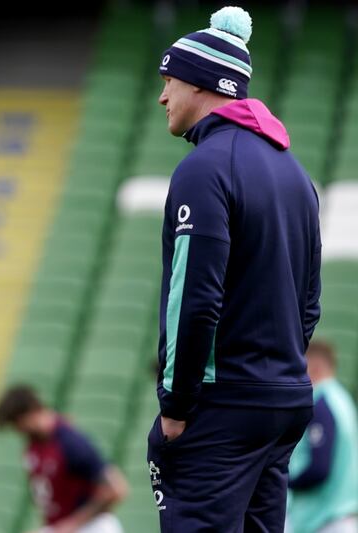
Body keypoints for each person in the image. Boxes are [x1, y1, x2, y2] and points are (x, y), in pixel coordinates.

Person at [148, 6, 321, 532]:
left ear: (200, 83)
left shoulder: (203, 169)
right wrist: (278, 376)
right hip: (284, 400)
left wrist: (175, 407)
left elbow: (194, 299)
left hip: (223, 409)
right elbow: (308, 305)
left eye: (169, 81)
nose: (162, 97)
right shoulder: (295, 174)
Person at [0, 385, 129, 533]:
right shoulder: (35, 447)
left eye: (17, 423)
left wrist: (73, 523)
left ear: (30, 413)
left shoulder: (70, 443)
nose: (18, 431)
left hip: (92, 527)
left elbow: (115, 490)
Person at [287, 340, 358, 533]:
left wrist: (284, 481)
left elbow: (319, 469)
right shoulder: (341, 398)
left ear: (314, 367)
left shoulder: (322, 402)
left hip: (324, 519)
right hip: (340, 516)